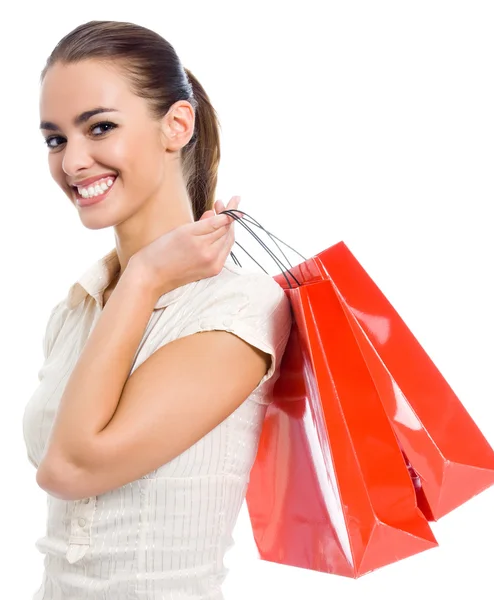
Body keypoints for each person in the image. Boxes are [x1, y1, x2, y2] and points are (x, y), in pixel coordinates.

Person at [22, 20, 293, 600]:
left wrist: (145, 276)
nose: (72, 162)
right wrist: (133, 283)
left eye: (100, 128)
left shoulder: (239, 310)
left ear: (176, 125)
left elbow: (71, 468)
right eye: (55, 139)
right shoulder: (77, 309)